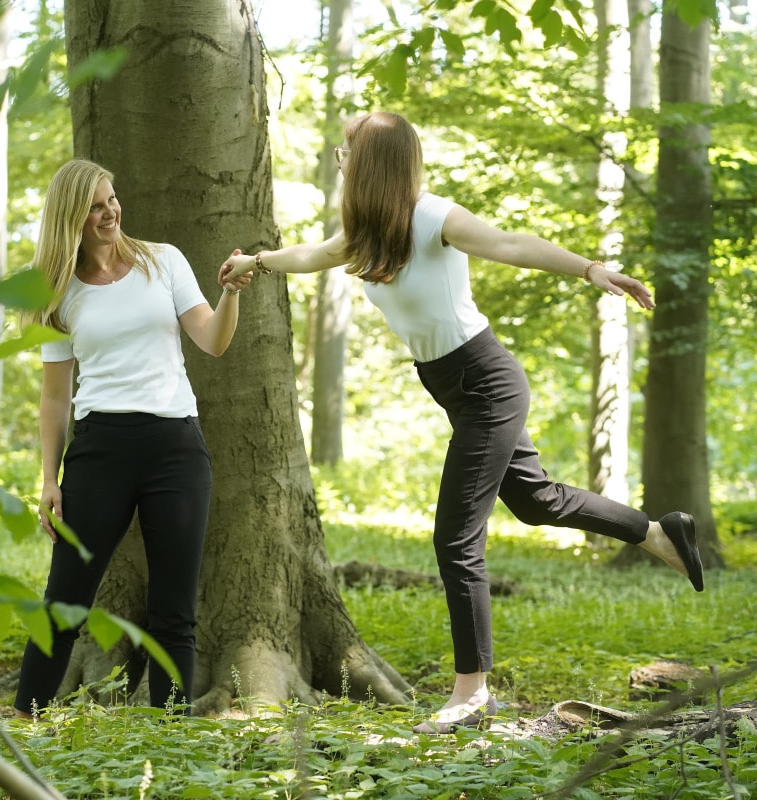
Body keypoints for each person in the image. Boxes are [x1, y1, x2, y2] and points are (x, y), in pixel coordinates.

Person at [220, 111, 704, 735]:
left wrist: (590, 268)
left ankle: (472, 690)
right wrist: (257, 260)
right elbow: (311, 255)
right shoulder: (369, 231)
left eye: (347, 150)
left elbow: (509, 244)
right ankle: (658, 533)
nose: (340, 158)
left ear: (370, 164)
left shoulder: (434, 216)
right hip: (456, 387)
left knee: (454, 537)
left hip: (486, 383)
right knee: (536, 501)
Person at [14, 158, 251, 718]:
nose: (111, 211)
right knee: (65, 599)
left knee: (174, 608)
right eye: (96, 205)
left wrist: (232, 294)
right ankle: (25, 725)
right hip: (100, 450)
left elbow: (212, 340)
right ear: (72, 215)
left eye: (112, 198)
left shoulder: (163, 261)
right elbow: (54, 396)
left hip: (176, 447)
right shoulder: (58, 293)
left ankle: (167, 737)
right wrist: (49, 477)